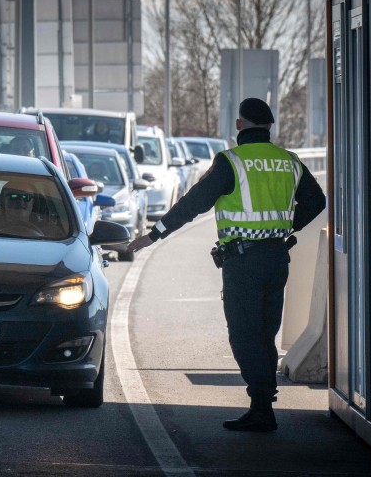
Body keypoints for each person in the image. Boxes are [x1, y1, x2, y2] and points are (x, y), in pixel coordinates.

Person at [126, 97, 325, 432]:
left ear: (239, 125)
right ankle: (261, 403)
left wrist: (154, 234)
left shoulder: (231, 161)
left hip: (244, 261)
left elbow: (194, 203)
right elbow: (316, 200)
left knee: (244, 333)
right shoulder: (288, 161)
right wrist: (288, 228)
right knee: (265, 331)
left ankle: (262, 403)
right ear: (269, 126)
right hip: (277, 257)